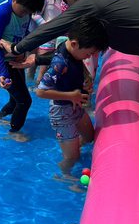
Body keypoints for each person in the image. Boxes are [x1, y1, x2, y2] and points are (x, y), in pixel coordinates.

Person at [6, 0, 139, 204]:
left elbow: (54, 27)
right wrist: (38, 60)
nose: (66, 3)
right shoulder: (108, 1)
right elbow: (69, 52)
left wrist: (18, 48)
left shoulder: (94, 0)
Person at [36, 17, 109, 175]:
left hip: (75, 106)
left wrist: (86, 75)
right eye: (88, 54)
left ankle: (73, 145)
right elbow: (40, 91)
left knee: (89, 137)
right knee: (72, 158)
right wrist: (71, 95)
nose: (88, 57)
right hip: (61, 113)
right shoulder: (59, 63)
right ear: (75, 44)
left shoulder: (71, 49)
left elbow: (77, 61)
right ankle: (63, 176)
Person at [0, 0, 45, 133]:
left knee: (16, 98)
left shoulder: (26, 9)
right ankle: (13, 133)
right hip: (0, 59)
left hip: (15, 58)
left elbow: (23, 33)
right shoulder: (3, 13)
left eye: (29, 12)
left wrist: (23, 53)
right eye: (23, 10)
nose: (25, 14)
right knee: (25, 101)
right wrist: (3, 72)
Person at [32, 0, 68, 84]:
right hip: (47, 37)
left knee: (62, 67)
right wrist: (46, 25)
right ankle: (37, 87)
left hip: (63, 36)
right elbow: (35, 14)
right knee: (43, 69)